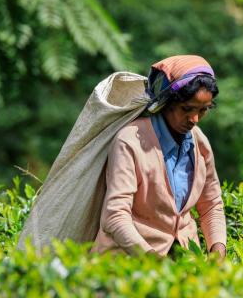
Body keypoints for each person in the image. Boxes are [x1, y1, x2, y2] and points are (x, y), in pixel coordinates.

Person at [91, 55, 227, 258]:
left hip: (183, 261)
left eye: (203, 110)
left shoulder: (199, 143)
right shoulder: (131, 142)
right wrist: (153, 261)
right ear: (165, 103)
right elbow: (115, 216)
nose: (195, 119)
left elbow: (211, 205)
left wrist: (218, 252)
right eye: (187, 109)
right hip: (127, 263)